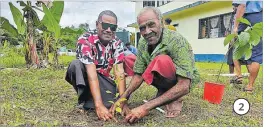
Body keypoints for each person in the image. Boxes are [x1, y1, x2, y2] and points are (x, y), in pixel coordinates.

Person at [110, 7, 200, 123]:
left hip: (181, 82)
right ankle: (163, 93)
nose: (147, 32)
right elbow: (139, 74)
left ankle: (175, 98)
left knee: (161, 60)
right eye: (142, 28)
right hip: (164, 81)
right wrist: (122, 98)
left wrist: (145, 107)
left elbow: (184, 85)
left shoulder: (177, 41)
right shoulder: (143, 42)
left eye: (151, 25)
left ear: (161, 22)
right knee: (145, 62)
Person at [65, 10, 132, 121]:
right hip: (88, 76)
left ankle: (91, 101)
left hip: (103, 79)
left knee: (111, 102)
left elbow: (119, 71)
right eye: (105, 25)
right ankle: (84, 99)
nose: (109, 30)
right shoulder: (85, 40)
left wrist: (122, 102)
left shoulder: (117, 43)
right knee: (75, 65)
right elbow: (91, 73)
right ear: (97, 24)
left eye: (113, 27)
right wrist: (98, 105)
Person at [232, 1, 263, 93]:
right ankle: (250, 86)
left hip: (247, 17)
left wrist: (235, 27)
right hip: (260, 18)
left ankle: (239, 75)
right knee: (256, 53)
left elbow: (242, 5)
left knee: (236, 45)